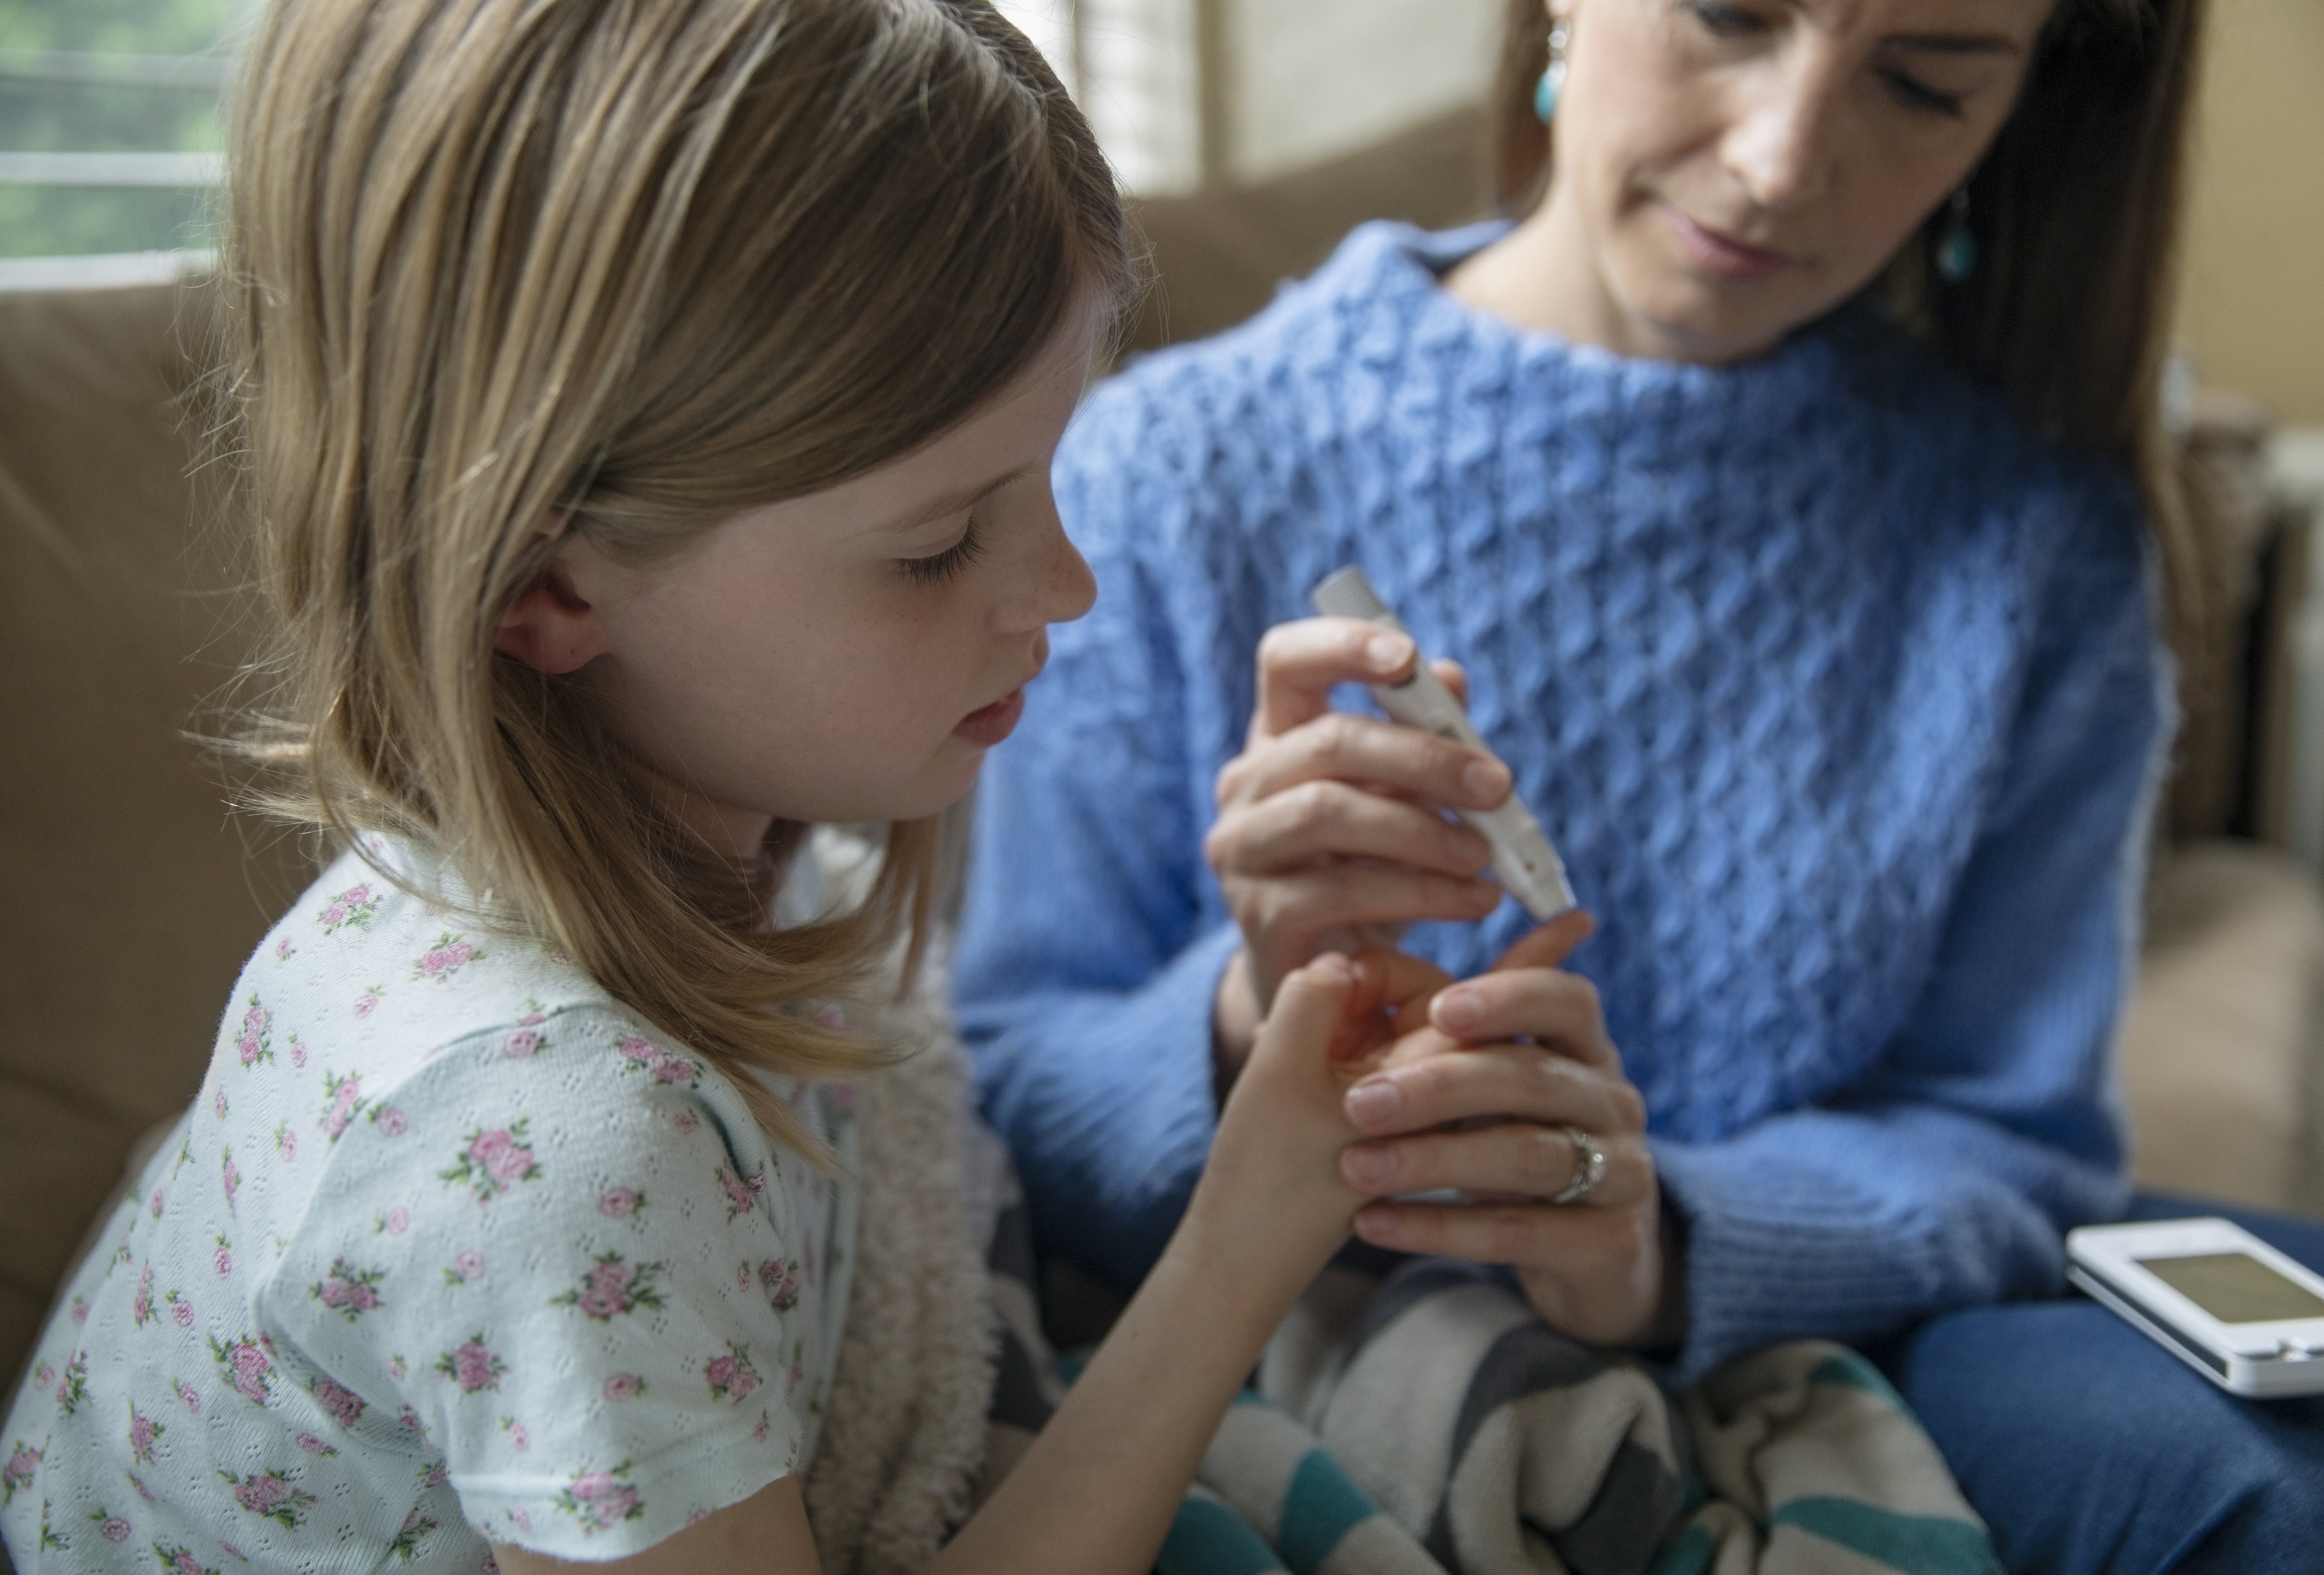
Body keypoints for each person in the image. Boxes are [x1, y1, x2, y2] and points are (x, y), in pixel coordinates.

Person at [0, 4, 1432, 1571]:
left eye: (1050, 476)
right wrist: (1243, 1243)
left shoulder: (733, 842)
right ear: (545, 583)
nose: (1068, 585)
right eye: (938, 544)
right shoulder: (565, 1153)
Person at [955, 0, 2324, 1567]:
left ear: (2027, 108)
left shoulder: (2036, 538)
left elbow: (2010, 1143)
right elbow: (1004, 1087)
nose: (1779, 163)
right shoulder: (1165, 466)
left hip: (1838, 1338)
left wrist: (1662, 1245)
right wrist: (1254, 1010)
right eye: (1730, 14)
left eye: (1923, 81)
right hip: (1276, 1347)